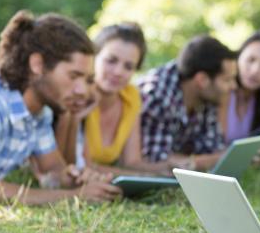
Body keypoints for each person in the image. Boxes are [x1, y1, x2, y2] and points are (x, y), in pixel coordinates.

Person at [0, 10, 122, 204]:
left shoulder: (38, 111)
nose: (82, 91)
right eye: (73, 76)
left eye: (87, 80)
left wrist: (77, 180)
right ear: (37, 64)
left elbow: (53, 170)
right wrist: (73, 196)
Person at [55, 22, 173, 176]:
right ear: (93, 58)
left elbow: (132, 162)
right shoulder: (78, 97)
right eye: (111, 61)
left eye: (128, 66)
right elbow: (82, 166)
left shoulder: (131, 97)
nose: (118, 72)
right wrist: (141, 176)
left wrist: (169, 169)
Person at [138, 35, 237, 170]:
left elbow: (213, 147)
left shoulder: (207, 95)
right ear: (201, 80)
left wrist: (208, 159)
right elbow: (156, 159)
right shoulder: (157, 94)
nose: (234, 86)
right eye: (227, 80)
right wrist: (215, 158)